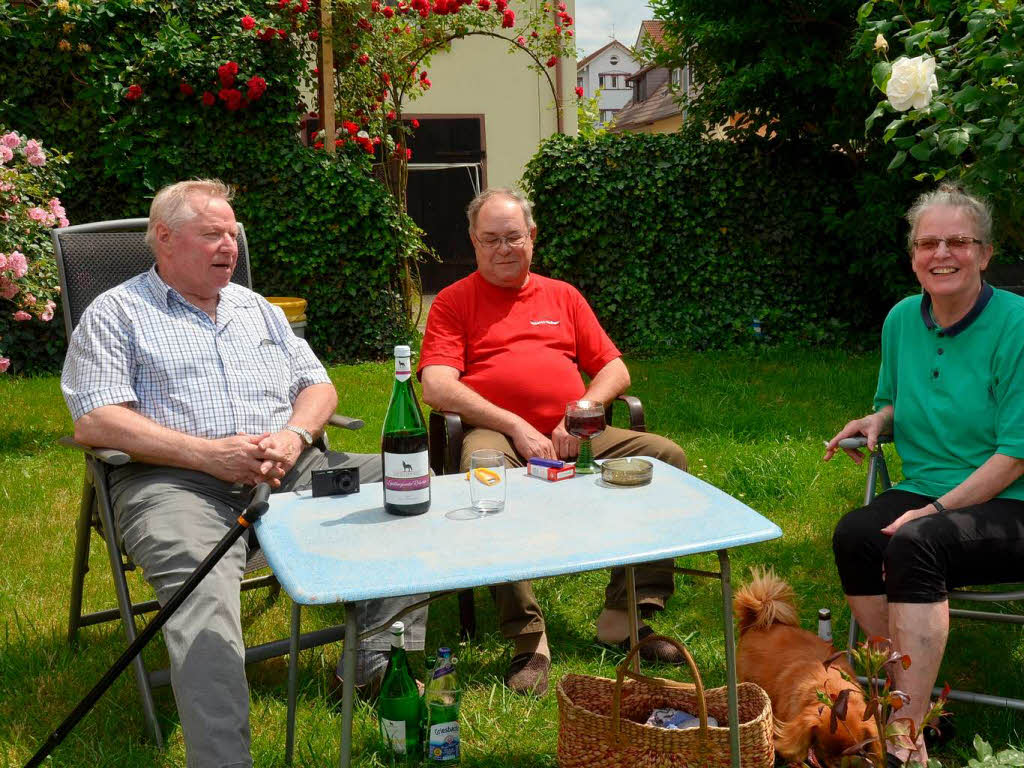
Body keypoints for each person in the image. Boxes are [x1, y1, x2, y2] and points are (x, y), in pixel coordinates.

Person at [60, 179, 426, 768]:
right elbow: (96, 421)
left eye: (233, 234)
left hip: (292, 469)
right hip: (175, 483)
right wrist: (205, 454)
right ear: (164, 239)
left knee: (409, 487)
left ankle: (374, 668)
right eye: (213, 234)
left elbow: (318, 385)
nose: (229, 245)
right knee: (201, 597)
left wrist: (296, 434)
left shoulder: (258, 309)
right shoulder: (117, 312)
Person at [418, 187, 689, 697]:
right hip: (498, 432)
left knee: (665, 458)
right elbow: (436, 384)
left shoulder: (562, 296)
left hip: (575, 435)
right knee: (483, 469)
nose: (504, 248)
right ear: (474, 243)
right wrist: (515, 424)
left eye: (513, 237)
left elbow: (614, 367)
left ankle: (626, 615)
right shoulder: (454, 302)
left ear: (532, 238)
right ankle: (528, 636)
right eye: (491, 239)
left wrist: (582, 410)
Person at [826, 183, 1024, 766]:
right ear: (914, 255)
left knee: (916, 543)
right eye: (928, 242)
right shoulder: (899, 321)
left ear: (985, 254)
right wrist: (875, 420)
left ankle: (904, 738)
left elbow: (1015, 454)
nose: (943, 253)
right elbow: (893, 402)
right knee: (855, 535)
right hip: (925, 488)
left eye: (959, 241)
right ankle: (916, 693)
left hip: (1011, 499)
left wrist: (935, 512)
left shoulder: (1018, 326)